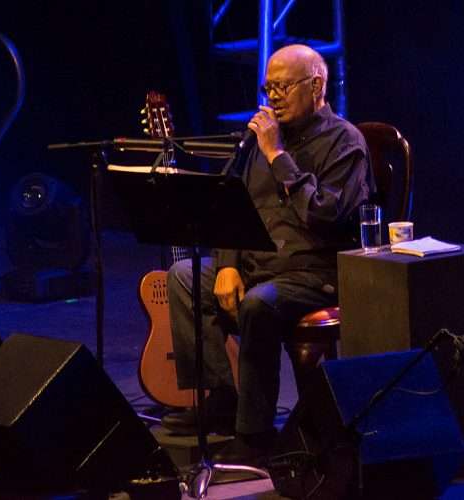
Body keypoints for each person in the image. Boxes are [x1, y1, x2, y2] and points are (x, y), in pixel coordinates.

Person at [160, 44, 376, 465]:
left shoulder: (344, 142)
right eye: (268, 87)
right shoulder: (255, 141)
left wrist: (278, 156)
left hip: (315, 272)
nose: (272, 97)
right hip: (260, 265)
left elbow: (325, 216)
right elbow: (230, 207)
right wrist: (226, 266)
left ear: (316, 86)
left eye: (282, 86)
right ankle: (221, 397)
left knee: (260, 304)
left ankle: (255, 433)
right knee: (184, 277)